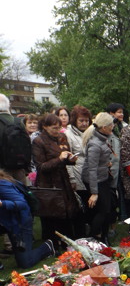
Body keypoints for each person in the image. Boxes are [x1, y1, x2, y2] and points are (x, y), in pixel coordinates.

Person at [32, 113, 80, 248]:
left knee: (67, 212)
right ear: (45, 127)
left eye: (59, 128)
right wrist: (59, 159)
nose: (57, 131)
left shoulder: (61, 138)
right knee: (52, 215)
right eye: (54, 128)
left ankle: (67, 242)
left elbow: (64, 160)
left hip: (63, 180)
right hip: (49, 184)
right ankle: (52, 244)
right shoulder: (39, 141)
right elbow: (41, 167)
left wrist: (70, 160)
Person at [0, 169, 55, 267]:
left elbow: (22, 204)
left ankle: (47, 247)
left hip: (19, 222)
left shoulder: (3, 185)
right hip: (6, 221)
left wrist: (2, 203)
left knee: (25, 262)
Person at [81, 113, 115, 244]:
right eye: (111, 124)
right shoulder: (95, 144)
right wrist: (94, 193)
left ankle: (104, 236)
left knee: (107, 209)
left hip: (103, 177)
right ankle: (93, 236)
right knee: (103, 211)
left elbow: (99, 162)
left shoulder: (102, 137)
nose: (113, 126)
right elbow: (92, 169)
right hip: (94, 180)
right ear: (104, 127)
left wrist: (105, 163)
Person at [66, 105, 93, 235]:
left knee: (90, 206)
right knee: (81, 206)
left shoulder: (91, 132)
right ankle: (81, 233)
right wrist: (71, 178)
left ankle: (90, 231)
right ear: (74, 120)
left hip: (91, 174)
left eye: (86, 120)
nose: (84, 123)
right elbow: (68, 159)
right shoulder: (68, 134)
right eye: (81, 120)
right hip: (77, 173)